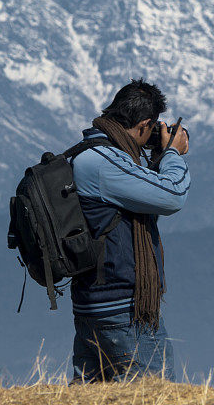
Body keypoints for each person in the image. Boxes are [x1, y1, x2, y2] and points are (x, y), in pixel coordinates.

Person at [68, 78, 191, 383]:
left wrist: (157, 156)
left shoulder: (93, 153)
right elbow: (171, 195)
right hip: (122, 310)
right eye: (151, 129)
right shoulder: (103, 161)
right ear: (144, 124)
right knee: (153, 393)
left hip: (93, 303)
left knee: (91, 395)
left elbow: (135, 193)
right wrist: (173, 154)